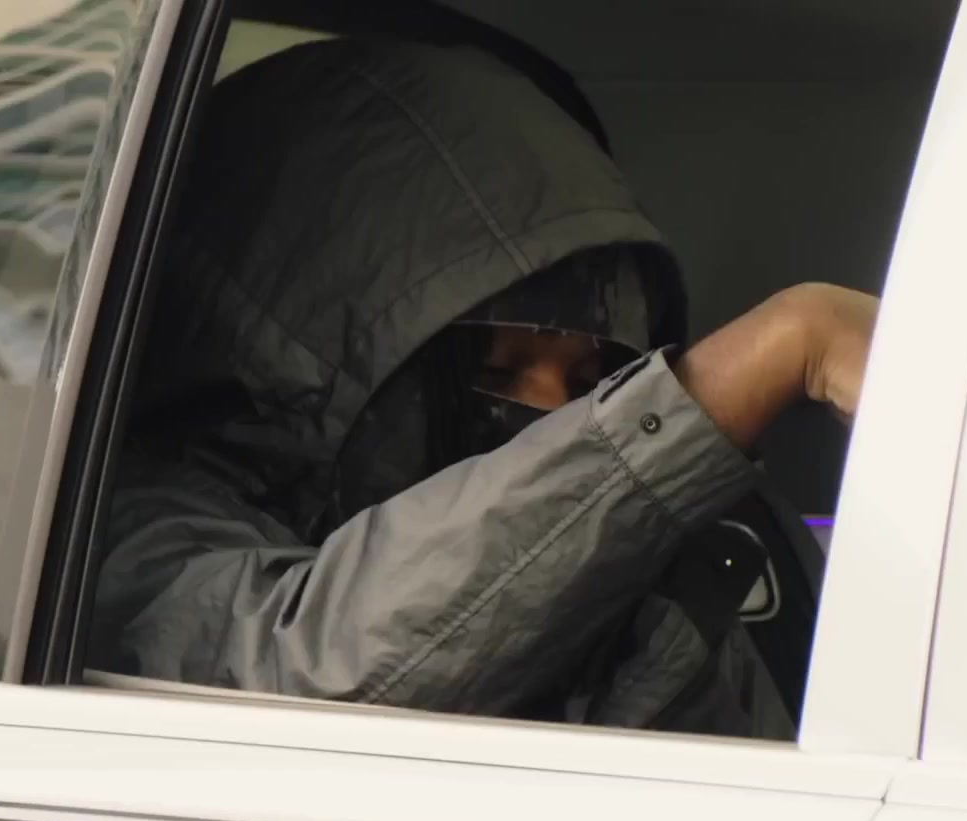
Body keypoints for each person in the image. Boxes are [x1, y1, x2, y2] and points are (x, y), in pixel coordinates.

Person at [91, 38, 876, 737]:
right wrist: (771, 352)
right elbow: (311, 674)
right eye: (497, 371)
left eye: (596, 380)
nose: (558, 418)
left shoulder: (657, 547)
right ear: (318, 356)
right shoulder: (117, 529)